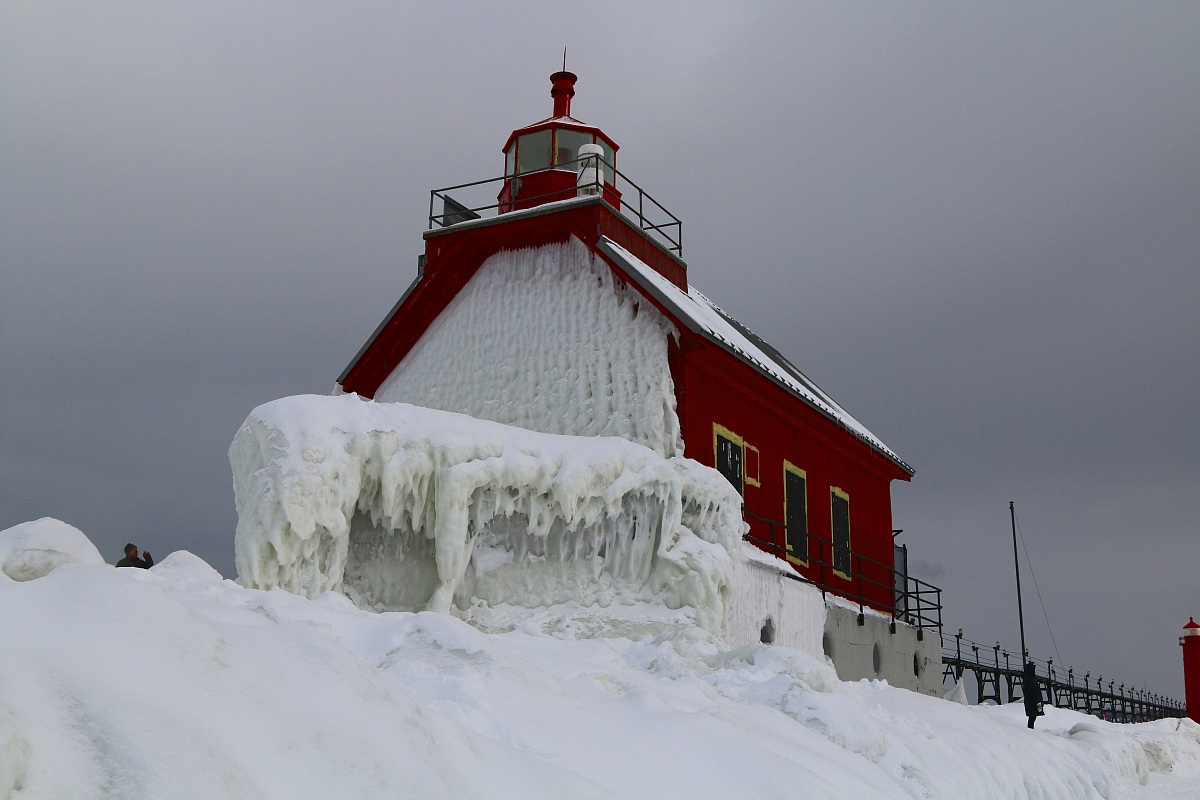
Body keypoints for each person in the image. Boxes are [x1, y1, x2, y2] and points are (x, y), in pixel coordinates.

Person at [1022, 660, 1043, 729]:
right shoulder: (1031, 680)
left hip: (1030, 701)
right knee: (1032, 717)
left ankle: (1030, 730)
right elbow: (1033, 692)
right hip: (1032, 702)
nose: (1036, 671)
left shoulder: (1027, 679)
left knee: (1032, 717)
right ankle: (1030, 731)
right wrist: (1038, 701)